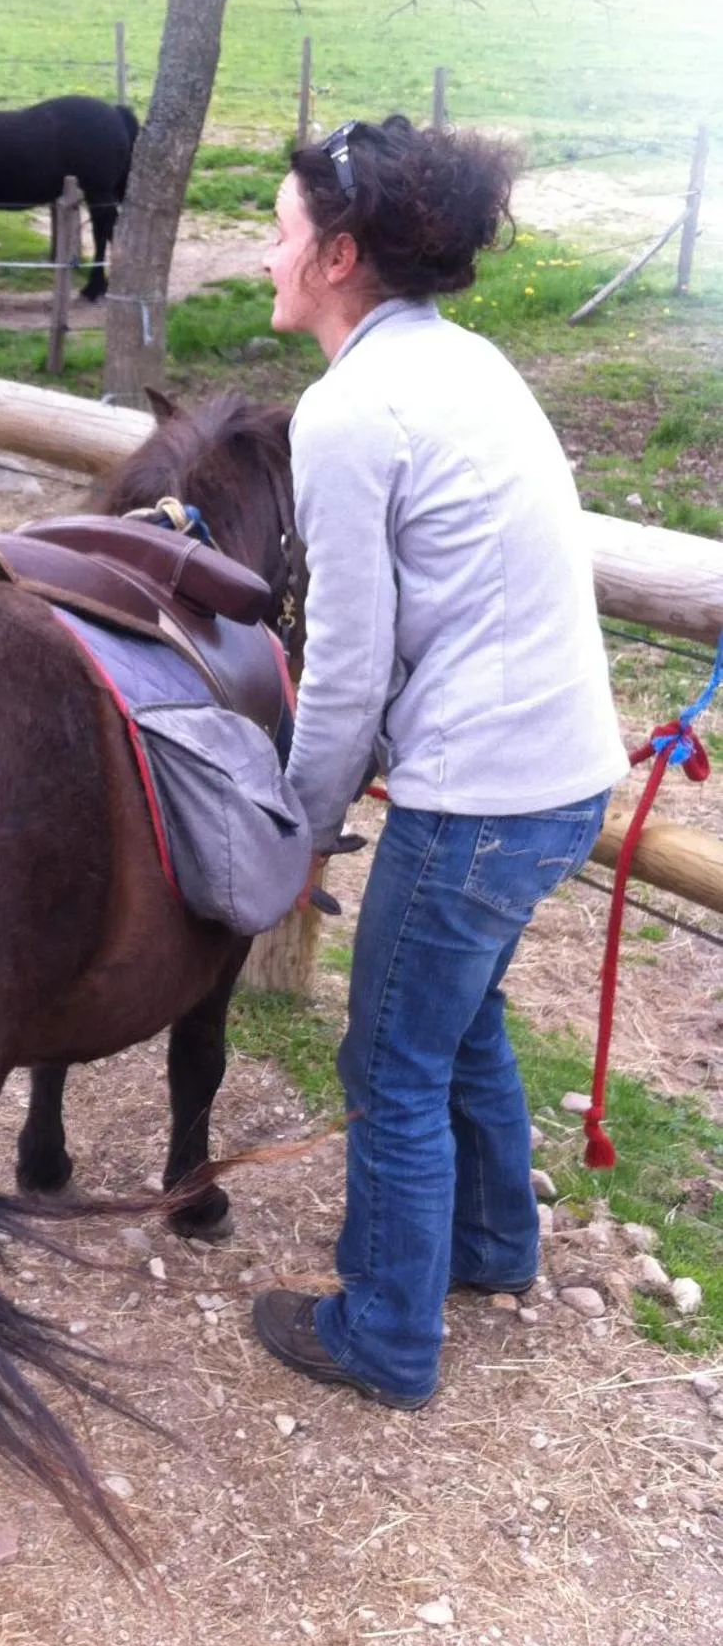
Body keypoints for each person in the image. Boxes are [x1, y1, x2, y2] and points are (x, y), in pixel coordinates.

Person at [251, 116, 628, 1410]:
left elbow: (348, 665)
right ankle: (491, 1243)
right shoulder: (463, 361)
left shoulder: (348, 411)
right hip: (561, 776)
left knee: (388, 1064)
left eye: (282, 231)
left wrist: (296, 828)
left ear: (338, 256)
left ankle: (384, 1333)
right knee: (457, 1023)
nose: (267, 253)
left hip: (480, 795)